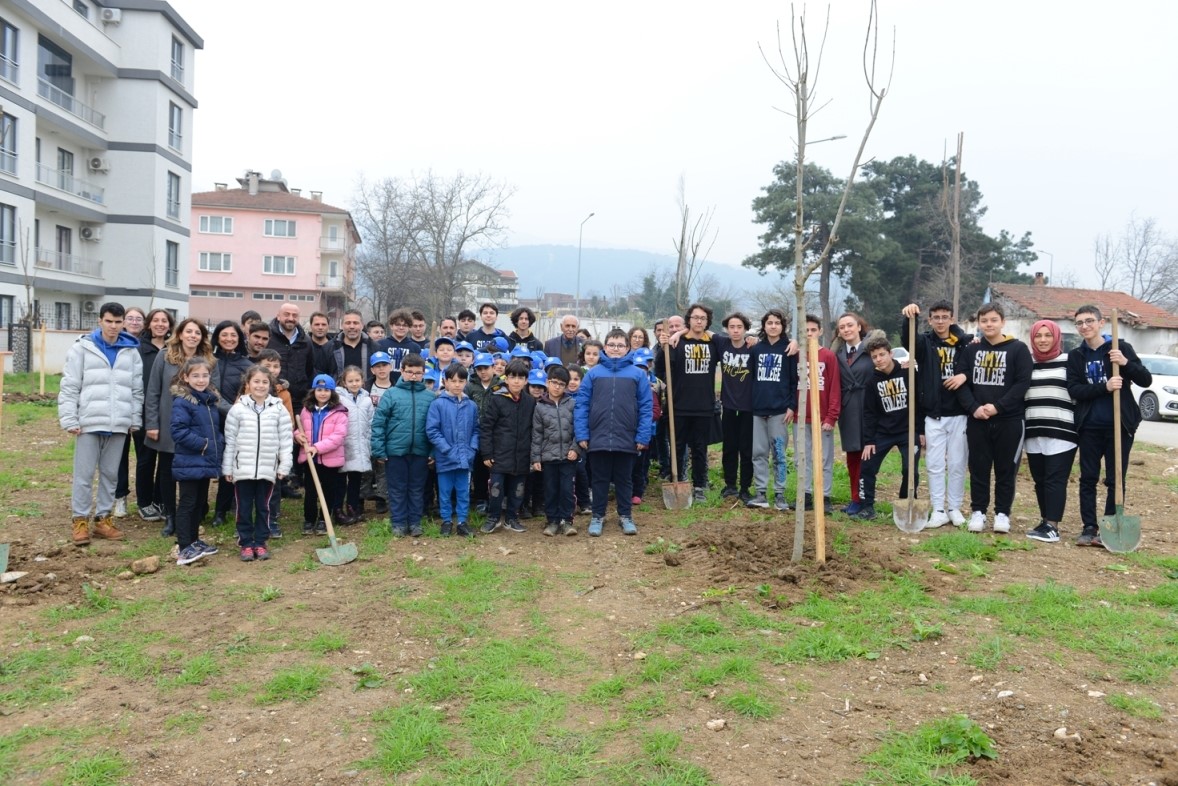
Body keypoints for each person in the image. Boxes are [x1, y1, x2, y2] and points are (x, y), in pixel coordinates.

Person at [1066, 305, 1152, 547]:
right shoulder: (1076, 356)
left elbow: (1146, 379)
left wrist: (1125, 363)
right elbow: (1074, 390)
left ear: (1101, 323)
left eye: (1089, 321)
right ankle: (1089, 527)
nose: (1084, 326)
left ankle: (1110, 525)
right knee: (1088, 478)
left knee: (1116, 479)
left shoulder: (1119, 348)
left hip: (1119, 426)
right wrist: (1103, 387)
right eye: (1079, 322)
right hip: (1089, 427)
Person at [58, 302, 142, 546]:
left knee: (110, 474)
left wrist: (133, 419)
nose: (113, 326)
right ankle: (80, 520)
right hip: (89, 423)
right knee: (83, 475)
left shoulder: (131, 351)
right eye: (109, 321)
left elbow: (137, 390)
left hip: (118, 424)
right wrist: (69, 418)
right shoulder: (82, 348)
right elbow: (70, 385)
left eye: (118, 322)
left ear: (123, 322)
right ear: (100, 320)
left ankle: (103, 518)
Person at [951, 303, 1033, 534]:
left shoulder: (1018, 349)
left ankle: (1002, 513)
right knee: (979, 468)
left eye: (994, 320)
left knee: (1006, 469)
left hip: (1009, 420)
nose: (989, 324)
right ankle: (978, 512)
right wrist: (974, 408)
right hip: (978, 420)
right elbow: (961, 382)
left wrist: (998, 407)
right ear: (979, 323)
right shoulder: (971, 350)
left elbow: (1022, 384)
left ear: (1002, 322)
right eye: (984, 320)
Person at [574, 329, 653, 536]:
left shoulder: (637, 375)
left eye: (620, 345)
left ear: (627, 348)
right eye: (611, 345)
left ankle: (625, 516)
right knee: (599, 479)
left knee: (624, 479)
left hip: (626, 437)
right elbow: (581, 405)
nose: (615, 349)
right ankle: (597, 516)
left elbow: (646, 407)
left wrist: (642, 436)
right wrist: (582, 434)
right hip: (598, 437)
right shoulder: (593, 374)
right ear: (605, 348)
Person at [900, 301, 971, 528]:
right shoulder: (925, 343)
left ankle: (954, 508)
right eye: (936, 317)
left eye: (945, 317)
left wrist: (964, 376)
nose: (940, 321)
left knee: (958, 463)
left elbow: (972, 367)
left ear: (952, 319)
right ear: (930, 320)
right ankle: (938, 509)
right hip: (934, 414)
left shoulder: (965, 343)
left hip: (959, 412)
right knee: (934, 463)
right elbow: (907, 340)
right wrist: (909, 317)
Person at [145, 318, 216, 538]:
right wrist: (152, 423)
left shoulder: (210, 361)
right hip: (168, 423)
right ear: (180, 334)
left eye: (198, 332)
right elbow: (153, 391)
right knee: (167, 472)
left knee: (197, 470)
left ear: (202, 337)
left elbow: (215, 393)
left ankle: (195, 513)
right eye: (189, 331)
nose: (193, 336)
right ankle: (171, 516)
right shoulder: (164, 357)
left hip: (198, 427)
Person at [221, 364, 294, 562]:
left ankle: (260, 541)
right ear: (248, 384)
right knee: (243, 507)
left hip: (267, 468)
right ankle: (246, 542)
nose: (260, 386)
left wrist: (284, 465)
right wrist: (228, 467)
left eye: (264, 382)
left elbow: (286, 439)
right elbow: (230, 440)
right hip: (242, 468)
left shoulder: (278, 408)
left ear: (270, 384)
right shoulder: (237, 409)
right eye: (256, 381)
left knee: (264, 507)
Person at [656, 304, 722, 502]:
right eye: (695, 318)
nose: (699, 321)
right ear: (689, 320)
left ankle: (700, 485)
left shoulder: (713, 344)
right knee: (677, 446)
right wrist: (663, 346)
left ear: (707, 321)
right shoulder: (678, 343)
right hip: (679, 405)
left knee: (700, 448)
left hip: (703, 406)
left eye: (703, 318)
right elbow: (661, 367)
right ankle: (678, 479)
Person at [1024, 320, 1078, 543]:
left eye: (1048, 335)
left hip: (1062, 430)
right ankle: (1046, 520)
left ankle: (1053, 526)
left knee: (1056, 479)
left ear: (1057, 338)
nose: (1043, 340)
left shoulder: (1069, 362)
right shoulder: (1027, 363)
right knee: (1040, 480)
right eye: (1039, 335)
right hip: (1034, 429)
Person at [858, 336, 922, 520]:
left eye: (882, 354)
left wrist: (920, 430)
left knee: (910, 469)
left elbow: (919, 402)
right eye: (875, 356)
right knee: (867, 466)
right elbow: (869, 413)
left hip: (907, 431)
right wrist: (869, 441)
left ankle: (906, 502)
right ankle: (867, 506)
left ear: (890, 353)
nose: (879, 359)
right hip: (882, 432)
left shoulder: (907, 373)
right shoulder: (872, 382)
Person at [371, 354, 433, 537]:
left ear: (423, 374)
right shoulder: (391, 394)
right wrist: (379, 450)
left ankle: (414, 522)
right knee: (397, 488)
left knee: (416, 488)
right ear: (402, 372)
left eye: (418, 373)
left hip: (420, 451)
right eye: (410, 372)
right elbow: (379, 423)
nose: (413, 376)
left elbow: (436, 426)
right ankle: (398, 522)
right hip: (395, 451)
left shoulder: (430, 397)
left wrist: (433, 451)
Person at [170, 357, 223, 566]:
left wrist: (217, 444)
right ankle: (184, 547)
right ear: (185, 377)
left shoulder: (208, 401)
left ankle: (194, 540)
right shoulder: (183, 401)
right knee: (188, 503)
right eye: (195, 376)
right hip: (190, 461)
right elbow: (178, 431)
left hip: (204, 461)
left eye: (204, 375)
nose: (201, 380)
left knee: (199, 502)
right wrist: (204, 445)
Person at [831, 312, 884, 514]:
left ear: (859, 327)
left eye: (850, 325)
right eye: (842, 327)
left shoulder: (872, 349)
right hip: (848, 408)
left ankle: (867, 499)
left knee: (868, 456)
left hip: (869, 406)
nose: (846, 329)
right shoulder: (837, 353)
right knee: (853, 456)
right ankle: (855, 499)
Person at [746, 309, 796, 511]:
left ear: (782, 326)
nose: (773, 326)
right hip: (759, 410)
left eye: (777, 323)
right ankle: (760, 493)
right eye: (769, 323)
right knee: (758, 453)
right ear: (764, 326)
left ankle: (780, 494)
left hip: (779, 411)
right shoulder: (757, 350)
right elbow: (751, 378)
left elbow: (794, 381)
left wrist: (792, 406)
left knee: (779, 454)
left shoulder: (789, 350)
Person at [792, 315, 842, 513]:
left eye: (813, 330)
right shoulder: (796, 355)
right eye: (806, 330)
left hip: (822, 418)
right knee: (801, 457)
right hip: (801, 417)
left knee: (824, 458)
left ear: (820, 331)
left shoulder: (828, 356)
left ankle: (824, 496)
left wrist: (831, 416)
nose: (810, 334)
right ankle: (805, 494)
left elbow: (834, 388)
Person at [480, 359, 536, 534]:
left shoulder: (530, 402)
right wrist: (487, 453)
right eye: (513, 377)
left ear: (526, 380)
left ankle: (512, 518)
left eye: (521, 377)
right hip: (499, 455)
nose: (517, 381)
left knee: (517, 490)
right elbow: (486, 427)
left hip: (521, 456)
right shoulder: (496, 399)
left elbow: (534, 430)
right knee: (496, 488)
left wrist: (533, 456)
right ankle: (493, 518)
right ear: (506, 379)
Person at [427, 364, 479, 537]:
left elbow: (476, 430)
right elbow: (433, 430)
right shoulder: (438, 404)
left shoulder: (471, 405)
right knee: (445, 491)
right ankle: (446, 521)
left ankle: (462, 522)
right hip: (446, 457)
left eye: (461, 381)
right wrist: (446, 449)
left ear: (466, 382)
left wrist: (472, 448)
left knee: (463, 491)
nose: (457, 384)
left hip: (466, 458)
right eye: (453, 381)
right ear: (445, 381)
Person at [210, 320, 252, 526]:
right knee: (208, 463)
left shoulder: (247, 365)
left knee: (229, 465)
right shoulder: (208, 361)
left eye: (233, 335)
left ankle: (221, 510)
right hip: (210, 420)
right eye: (224, 335)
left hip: (235, 424)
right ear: (217, 337)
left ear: (240, 339)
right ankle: (200, 507)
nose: (229, 339)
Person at [296, 375, 349, 536]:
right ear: (314, 391)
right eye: (319, 390)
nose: (323, 393)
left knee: (328, 490)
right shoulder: (306, 410)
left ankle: (323, 520)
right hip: (310, 459)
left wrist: (317, 448)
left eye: (326, 390)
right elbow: (300, 430)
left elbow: (338, 436)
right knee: (310, 491)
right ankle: (309, 519)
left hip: (329, 459)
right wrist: (297, 435)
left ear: (332, 392)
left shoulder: (339, 412)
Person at [134, 308, 173, 522]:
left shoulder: (172, 349)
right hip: (145, 410)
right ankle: (144, 502)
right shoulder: (139, 348)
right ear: (149, 324)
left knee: (166, 458)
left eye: (164, 321)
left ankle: (160, 499)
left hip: (166, 411)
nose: (160, 324)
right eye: (156, 320)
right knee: (146, 458)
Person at [531, 364, 580, 536]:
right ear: (547, 382)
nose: (557, 386)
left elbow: (578, 430)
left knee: (567, 490)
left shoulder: (572, 404)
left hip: (568, 457)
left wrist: (576, 449)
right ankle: (552, 520)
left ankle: (567, 520)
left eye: (561, 383)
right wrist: (536, 458)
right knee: (550, 490)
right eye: (554, 382)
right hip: (548, 457)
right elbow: (537, 434)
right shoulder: (540, 407)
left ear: (566, 386)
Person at [112, 306, 146, 518]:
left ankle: (145, 499)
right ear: (124, 321)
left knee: (144, 455)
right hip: (121, 406)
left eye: (139, 319)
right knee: (119, 454)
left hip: (143, 406)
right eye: (130, 318)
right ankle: (120, 496)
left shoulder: (147, 345)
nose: (134, 322)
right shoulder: (115, 343)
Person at [717, 312, 755, 501]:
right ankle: (730, 484)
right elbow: (698, 330)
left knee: (746, 449)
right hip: (729, 406)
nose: (735, 330)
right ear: (727, 329)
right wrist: (675, 333)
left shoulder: (752, 347)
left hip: (749, 407)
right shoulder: (722, 344)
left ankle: (745, 488)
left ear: (745, 329)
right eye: (732, 327)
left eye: (739, 327)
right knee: (729, 447)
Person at [337, 365, 374, 525]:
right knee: (339, 481)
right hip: (343, 445)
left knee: (355, 479)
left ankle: (353, 506)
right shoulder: (338, 398)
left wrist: (370, 442)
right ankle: (337, 509)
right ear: (344, 382)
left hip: (360, 444)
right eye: (350, 381)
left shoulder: (366, 399)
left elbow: (371, 422)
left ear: (362, 381)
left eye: (357, 380)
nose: (354, 383)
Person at [465, 353, 501, 514]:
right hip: (476, 432)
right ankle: (480, 498)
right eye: (479, 369)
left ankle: (496, 497)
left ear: (493, 368)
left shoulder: (500, 386)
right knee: (479, 467)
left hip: (496, 433)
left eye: (486, 368)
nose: (483, 372)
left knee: (495, 467)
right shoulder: (470, 386)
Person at [268, 302, 314, 410]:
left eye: (295, 315)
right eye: (286, 314)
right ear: (278, 316)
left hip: (299, 402)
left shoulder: (306, 341)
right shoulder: (268, 337)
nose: (291, 318)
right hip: (272, 398)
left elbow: (309, 370)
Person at [365, 351, 395, 515]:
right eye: (377, 366)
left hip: (387, 433)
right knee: (367, 467)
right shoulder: (366, 387)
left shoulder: (396, 387)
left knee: (383, 467)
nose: (381, 369)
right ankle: (363, 496)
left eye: (384, 365)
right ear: (372, 370)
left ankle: (382, 498)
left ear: (390, 367)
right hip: (367, 432)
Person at [330, 309, 379, 378]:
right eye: (348, 323)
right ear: (342, 325)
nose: (352, 326)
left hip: (366, 388)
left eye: (355, 323)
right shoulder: (330, 347)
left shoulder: (374, 348)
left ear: (362, 325)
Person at [378, 308, 419, 384]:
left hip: (407, 386)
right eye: (397, 325)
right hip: (385, 385)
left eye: (404, 325)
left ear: (409, 327)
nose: (401, 327)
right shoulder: (380, 345)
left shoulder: (415, 348)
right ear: (391, 326)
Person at [308, 311, 334, 377]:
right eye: (317, 324)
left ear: (328, 327)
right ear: (311, 326)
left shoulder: (336, 347)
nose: (320, 327)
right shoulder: (304, 346)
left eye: (323, 324)